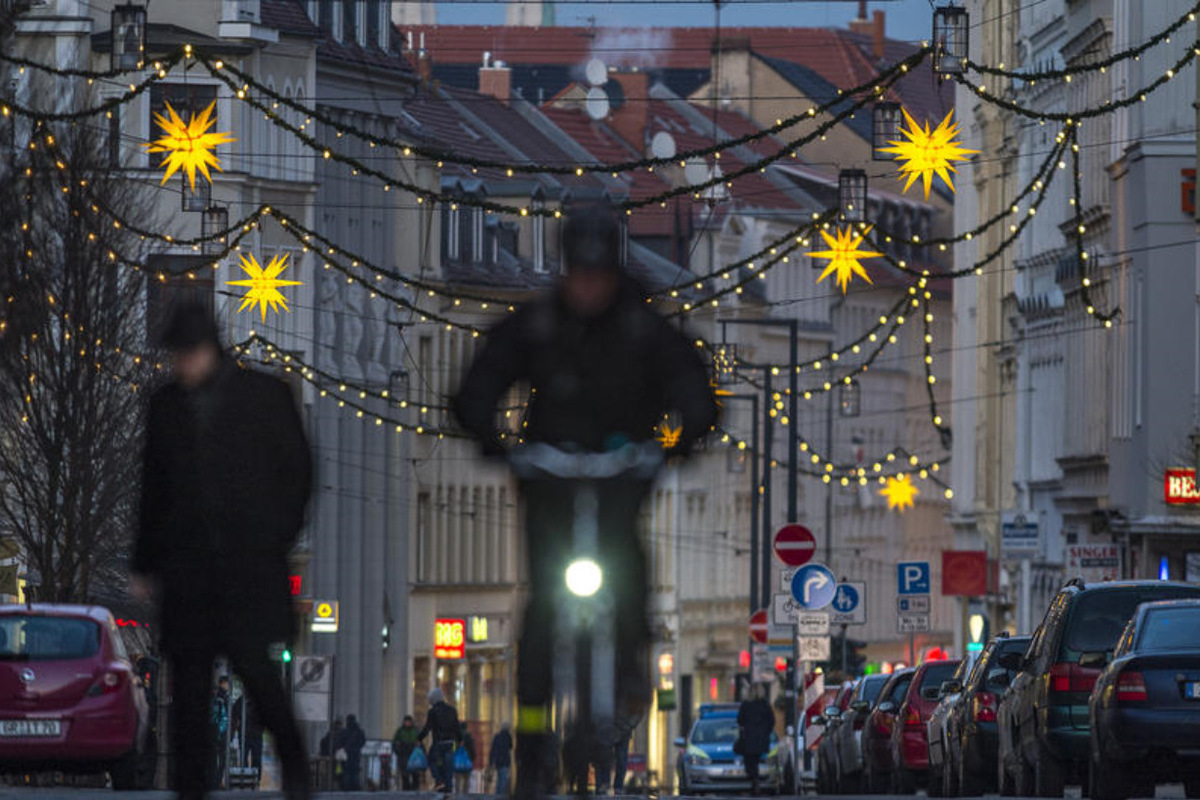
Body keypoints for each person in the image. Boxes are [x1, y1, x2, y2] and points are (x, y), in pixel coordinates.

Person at [453, 202, 717, 799]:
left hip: (621, 476)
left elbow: (694, 388)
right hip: (549, 477)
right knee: (543, 603)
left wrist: (679, 442)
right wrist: (494, 441)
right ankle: (532, 741)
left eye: (599, 277)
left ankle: (628, 670)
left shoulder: (642, 327)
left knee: (630, 571)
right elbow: (478, 387)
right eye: (580, 276)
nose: (590, 289)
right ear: (567, 271)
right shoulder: (539, 324)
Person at [131, 301, 313, 800]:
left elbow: (297, 472)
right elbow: (153, 488)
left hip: (246, 568)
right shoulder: (167, 406)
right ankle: (191, 788)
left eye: (185, 355)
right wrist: (145, 562)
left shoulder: (262, 397)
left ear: (208, 350)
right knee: (188, 688)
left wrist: (276, 534)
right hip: (190, 571)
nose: (179, 366)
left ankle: (297, 773)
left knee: (258, 677)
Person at [418, 688, 461, 792]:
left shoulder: (433, 712)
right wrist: (460, 739)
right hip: (452, 743)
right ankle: (449, 784)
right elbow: (457, 726)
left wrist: (419, 738)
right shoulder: (452, 710)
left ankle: (439, 781)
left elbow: (427, 727)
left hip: (439, 742)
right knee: (449, 762)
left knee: (432, 760)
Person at [737, 685, 776, 796]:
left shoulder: (746, 705)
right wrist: (766, 732)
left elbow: (740, 720)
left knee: (750, 762)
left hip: (749, 739)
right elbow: (771, 721)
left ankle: (755, 781)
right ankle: (756, 782)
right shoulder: (765, 705)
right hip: (761, 739)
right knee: (756, 760)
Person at [210, 676, 231, 789]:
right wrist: (221, 733)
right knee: (220, 758)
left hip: (216, 732)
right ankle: (216, 782)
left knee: (215, 758)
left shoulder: (219, 698)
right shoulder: (221, 698)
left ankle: (215, 781)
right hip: (219, 733)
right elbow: (223, 718)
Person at [393, 715, 421, 790]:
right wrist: (398, 751)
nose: (407, 723)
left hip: (413, 753)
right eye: (406, 721)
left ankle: (415, 788)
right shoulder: (400, 731)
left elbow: (420, 742)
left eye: (409, 721)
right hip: (403, 754)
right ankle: (406, 789)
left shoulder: (415, 731)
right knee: (405, 774)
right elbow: (395, 742)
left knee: (415, 773)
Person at [340, 713, 367, 791]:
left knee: (347, 771)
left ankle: (347, 787)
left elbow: (340, 742)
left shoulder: (345, 731)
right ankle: (355, 787)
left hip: (347, 754)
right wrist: (357, 747)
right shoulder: (359, 731)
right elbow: (363, 741)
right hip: (356, 753)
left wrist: (344, 748)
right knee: (355, 771)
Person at [488, 722, 513, 797]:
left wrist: (491, 761)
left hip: (498, 761)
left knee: (499, 779)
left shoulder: (497, 736)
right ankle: (501, 795)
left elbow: (493, 750)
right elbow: (511, 747)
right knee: (503, 780)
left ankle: (497, 794)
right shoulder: (508, 737)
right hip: (505, 761)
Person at [455, 722, 476, 793]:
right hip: (467, 761)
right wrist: (472, 758)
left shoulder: (456, 737)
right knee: (466, 779)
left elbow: (453, 749)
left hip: (457, 762)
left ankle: (457, 794)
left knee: (457, 779)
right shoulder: (469, 737)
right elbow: (472, 749)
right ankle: (465, 794)